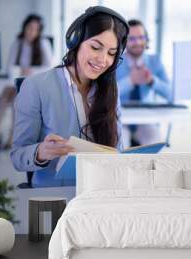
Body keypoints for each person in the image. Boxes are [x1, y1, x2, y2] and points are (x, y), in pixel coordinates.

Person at [10, 6, 129, 187]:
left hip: (100, 191)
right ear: (76, 41)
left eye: (112, 53)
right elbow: (18, 157)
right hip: (56, 197)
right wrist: (41, 151)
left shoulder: (111, 90)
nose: (103, 59)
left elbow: (117, 150)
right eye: (96, 47)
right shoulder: (36, 87)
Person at [0, 14, 53, 155]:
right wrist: (19, 72)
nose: (31, 32)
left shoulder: (43, 43)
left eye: (35, 29)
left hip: (34, 82)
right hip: (16, 79)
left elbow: (50, 68)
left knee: (17, 100)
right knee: (4, 98)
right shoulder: (17, 43)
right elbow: (9, 66)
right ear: (24, 27)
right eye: (29, 28)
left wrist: (30, 70)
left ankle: (12, 138)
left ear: (39, 31)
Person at [116, 19, 171, 146]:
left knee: (155, 141)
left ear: (146, 39)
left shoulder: (155, 61)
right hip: (120, 119)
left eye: (141, 37)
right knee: (120, 144)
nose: (138, 42)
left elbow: (171, 94)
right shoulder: (116, 62)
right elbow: (107, 95)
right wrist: (131, 81)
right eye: (132, 39)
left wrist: (152, 81)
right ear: (124, 41)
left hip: (145, 119)